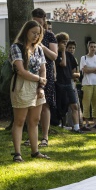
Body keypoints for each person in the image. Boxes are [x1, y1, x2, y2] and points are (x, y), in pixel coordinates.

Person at [9, 20, 48, 161]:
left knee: (35, 120)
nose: (36, 36)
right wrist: (39, 80)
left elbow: (43, 69)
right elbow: (21, 71)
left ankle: (35, 151)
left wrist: (41, 87)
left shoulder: (38, 49)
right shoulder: (16, 47)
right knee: (19, 120)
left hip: (37, 85)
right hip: (22, 85)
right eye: (33, 33)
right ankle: (17, 153)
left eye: (38, 34)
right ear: (26, 31)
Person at [32, 9, 57, 148]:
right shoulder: (29, 35)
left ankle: (45, 137)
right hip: (31, 72)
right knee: (32, 104)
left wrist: (42, 46)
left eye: (39, 21)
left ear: (44, 20)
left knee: (45, 104)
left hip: (46, 72)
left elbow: (54, 56)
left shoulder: (50, 36)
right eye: (34, 20)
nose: (37, 24)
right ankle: (32, 135)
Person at [54, 32, 82, 133]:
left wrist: (75, 75)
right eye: (63, 42)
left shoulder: (70, 55)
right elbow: (63, 63)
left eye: (66, 42)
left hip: (68, 83)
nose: (65, 44)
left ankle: (77, 127)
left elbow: (75, 70)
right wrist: (61, 52)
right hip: (59, 84)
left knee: (74, 105)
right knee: (61, 107)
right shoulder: (55, 54)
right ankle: (59, 125)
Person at [80, 40, 96, 129]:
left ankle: (95, 122)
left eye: (94, 47)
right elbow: (85, 70)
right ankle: (86, 122)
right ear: (88, 47)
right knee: (86, 103)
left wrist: (90, 69)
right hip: (87, 83)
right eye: (91, 47)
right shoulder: (84, 58)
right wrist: (95, 69)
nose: (93, 48)